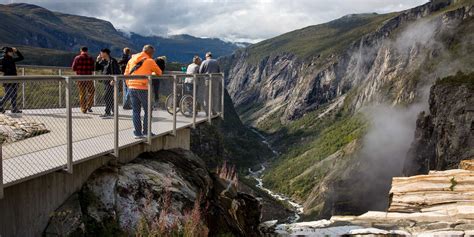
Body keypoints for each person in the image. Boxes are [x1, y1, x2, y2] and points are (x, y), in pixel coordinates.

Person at [124, 45, 162, 139]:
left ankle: (137, 133)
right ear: (151, 53)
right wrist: (151, 73)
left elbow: (126, 74)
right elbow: (159, 73)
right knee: (148, 110)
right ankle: (146, 132)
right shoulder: (150, 61)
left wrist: (129, 85)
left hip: (132, 87)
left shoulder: (131, 60)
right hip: (144, 87)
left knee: (136, 111)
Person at [95, 48, 121, 118]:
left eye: (101, 53)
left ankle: (108, 112)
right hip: (105, 81)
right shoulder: (103, 61)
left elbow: (117, 71)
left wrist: (113, 79)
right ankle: (113, 111)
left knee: (106, 96)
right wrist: (97, 60)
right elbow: (97, 68)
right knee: (109, 97)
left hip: (111, 82)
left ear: (105, 53)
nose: (100, 54)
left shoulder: (112, 61)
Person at [0, 47, 24, 114]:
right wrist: (5, 70)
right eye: (11, 52)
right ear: (7, 52)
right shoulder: (3, 59)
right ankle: (0, 105)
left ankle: (14, 108)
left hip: (14, 79)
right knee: (8, 94)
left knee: (14, 95)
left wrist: (17, 51)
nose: (12, 53)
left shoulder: (11, 59)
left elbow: (21, 58)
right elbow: (1, 68)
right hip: (7, 79)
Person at [72, 47, 95, 114]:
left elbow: (73, 68)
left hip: (80, 78)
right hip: (89, 78)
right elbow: (93, 68)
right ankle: (89, 105)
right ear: (87, 51)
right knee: (91, 92)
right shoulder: (90, 58)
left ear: (81, 50)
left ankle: (83, 108)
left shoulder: (77, 58)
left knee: (82, 93)